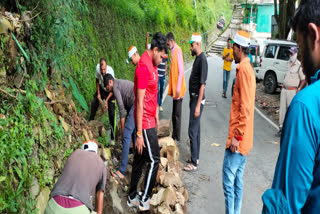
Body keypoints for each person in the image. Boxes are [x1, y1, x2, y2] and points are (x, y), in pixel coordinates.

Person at [262, 1, 320, 212]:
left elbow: (285, 204)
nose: (300, 54)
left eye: (300, 43)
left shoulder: (306, 107)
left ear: (313, 35)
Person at [127, 32, 167, 211]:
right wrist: (139, 134)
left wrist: (157, 112)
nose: (162, 58)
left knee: (140, 159)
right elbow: (140, 102)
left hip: (151, 118)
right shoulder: (143, 67)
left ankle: (131, 196)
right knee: (154, 159)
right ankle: (144, 199)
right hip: (145, 123)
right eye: (161, 55)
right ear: (155, 50)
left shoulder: (150, 62)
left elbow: (152, 93)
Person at [222, 30, 256, 214]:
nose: (231, 51)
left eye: (233, 47)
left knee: (228, 181)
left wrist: (237, 136)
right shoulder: (247, 69)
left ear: (238, 48)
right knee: (237, 181)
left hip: (238, 141)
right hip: (244, 141)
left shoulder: (243, 70)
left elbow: (245, 108)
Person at [44, 141, 106, 214]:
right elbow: (100, 194)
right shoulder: (101, 163)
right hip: (78, 209)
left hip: (53, 206)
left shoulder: (74, 154)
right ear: (95, 151)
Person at [183, 33, 208, 172]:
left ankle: (193, 163)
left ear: (197, 44)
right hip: (194, 98)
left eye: (192, 45)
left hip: (197, 99)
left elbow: (202, 85)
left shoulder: (203, 60)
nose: (190, 48)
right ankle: (195, 157)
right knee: (196, 130)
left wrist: (198, 105)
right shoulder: (198, 58)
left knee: (192, 130)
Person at [104, 74, 136, 180]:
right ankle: (136, 158)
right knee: (134, 132)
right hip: (136, 103)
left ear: (110, 82)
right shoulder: (118, 84)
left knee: (127, 135)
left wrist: (122, 132)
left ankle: (122, 170)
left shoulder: (116, 87)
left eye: (108, 88)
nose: (109, 91)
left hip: (136, 103)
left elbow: (121, 110)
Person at [275, 46, 306, 137]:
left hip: (292, 91)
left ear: (296, 54)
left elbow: (303, 79)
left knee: (291, 111)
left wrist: (299, 89)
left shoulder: (299, 65)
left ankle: (290, 130)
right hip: (284, 90)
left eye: (292, 53)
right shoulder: (287, 64)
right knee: (282, 110)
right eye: (290, 53)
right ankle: (281, 129)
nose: (290, 55)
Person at [89, 58, 116, 142]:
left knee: (112, 114)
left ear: (106, 66)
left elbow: (113, 89)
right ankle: (89, 124)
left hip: (111, 92)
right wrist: (98, 94)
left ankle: (113, 136)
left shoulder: (110, 72)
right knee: (94, 103)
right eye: (101, 70)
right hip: (102, 89)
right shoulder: (98, 69)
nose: (103, 71)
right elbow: (97, 80)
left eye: (104, 69)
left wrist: (106, 101)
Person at [166, 32, 186, 142]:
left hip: (178, 89)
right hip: (175, 89)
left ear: (171, 41)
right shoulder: (173, 51)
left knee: (177, 115)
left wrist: (178, 88)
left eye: (167, 43)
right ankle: (174, 134)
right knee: (174, 114)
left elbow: (181, 70)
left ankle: (177, 137)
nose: (167, 46)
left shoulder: (178, 50)